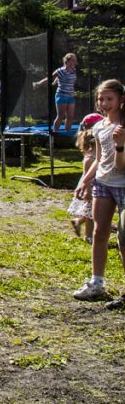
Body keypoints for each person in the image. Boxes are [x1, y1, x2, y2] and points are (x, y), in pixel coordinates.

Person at [72, 80, 125, 305]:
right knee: (98, 233)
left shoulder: (122, 127)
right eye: (101, 99)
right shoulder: (100, 126)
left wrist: (120, 145)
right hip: (102, 184)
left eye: (109, 99)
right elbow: (99, 159)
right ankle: (97, 283)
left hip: (123, 184)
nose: (103, 103)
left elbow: (121, 165)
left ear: (121, 100)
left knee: (124, 238)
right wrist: (85, 180)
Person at [68, 113, 103, 244]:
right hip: (90, 187)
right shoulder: (89, 158)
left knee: (91, 212)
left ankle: (78, 221)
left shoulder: (93, 155)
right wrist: (87, 190)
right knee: (91, 214)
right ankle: (89, 236)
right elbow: (86, 176)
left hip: (96, 186)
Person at [33, 52, 78, 132]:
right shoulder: (60, 70)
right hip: (61, 95)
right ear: (67, 61)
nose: (75, 62)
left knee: (70, 116)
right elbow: (50, 78)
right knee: (60, 116)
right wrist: (38, 84)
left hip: (70, 96)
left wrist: (56, 81)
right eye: (73, 60)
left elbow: (64, 79)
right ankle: (55, 133)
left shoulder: (73, 70)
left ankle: (67, 132)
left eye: (75, 60)